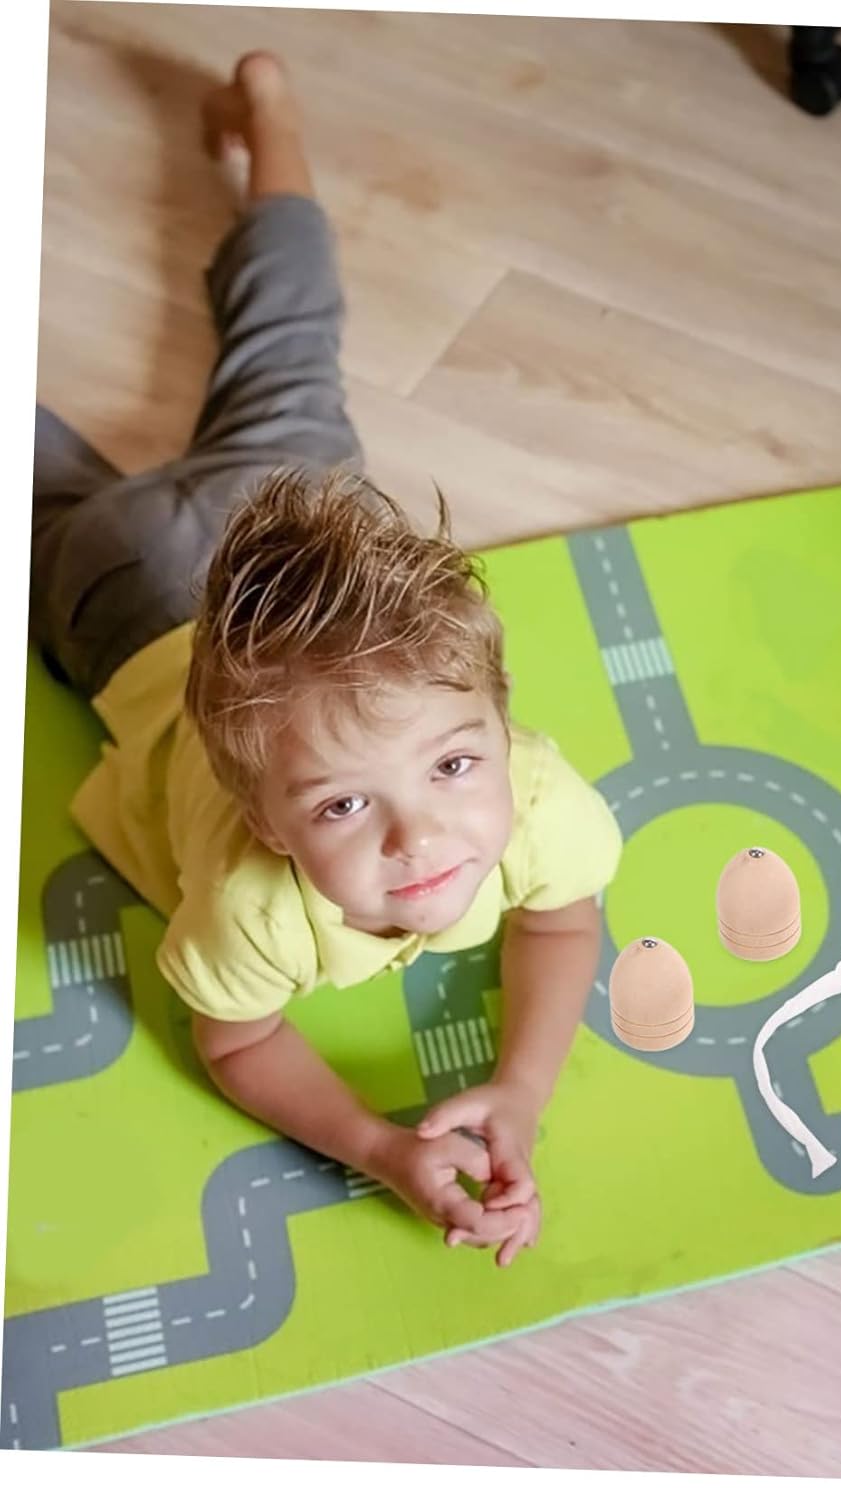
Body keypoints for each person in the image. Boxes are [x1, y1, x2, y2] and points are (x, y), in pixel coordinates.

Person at [29, 51, 622, 1268]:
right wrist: (374, 1143)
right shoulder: (249, 913)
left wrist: (522, 1092)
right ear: (262, 820)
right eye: (345, 803)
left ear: (503, 724)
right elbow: (236, 1039)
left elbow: (564, 925)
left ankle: (269, 113)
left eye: (453, 765)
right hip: (130, 587)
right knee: (283, 339)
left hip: (282, 512)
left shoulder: (541, 802)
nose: (419, 837)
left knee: (294, 335)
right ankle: (271, 112)